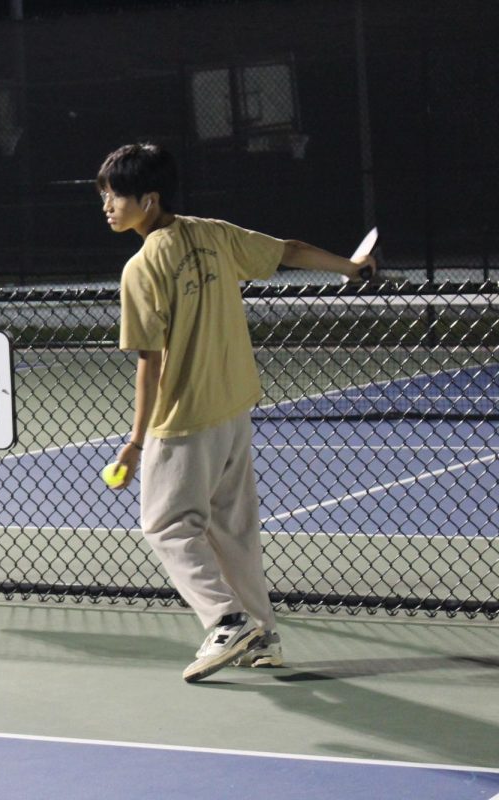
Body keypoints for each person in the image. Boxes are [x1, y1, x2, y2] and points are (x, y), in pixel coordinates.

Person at [98, 142, 376, 683]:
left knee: (167, 526)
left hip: (183, 420)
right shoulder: (215, 234)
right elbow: (289, 250)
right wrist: (351, 267)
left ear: (148, 200)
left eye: (114, 195)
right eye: (103, 196)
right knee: (233, 530)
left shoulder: (141, 267)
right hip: (233, 410)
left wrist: (134, 444)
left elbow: (149, 365)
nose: (106, 205)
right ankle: (263, 636)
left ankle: (226, 622)